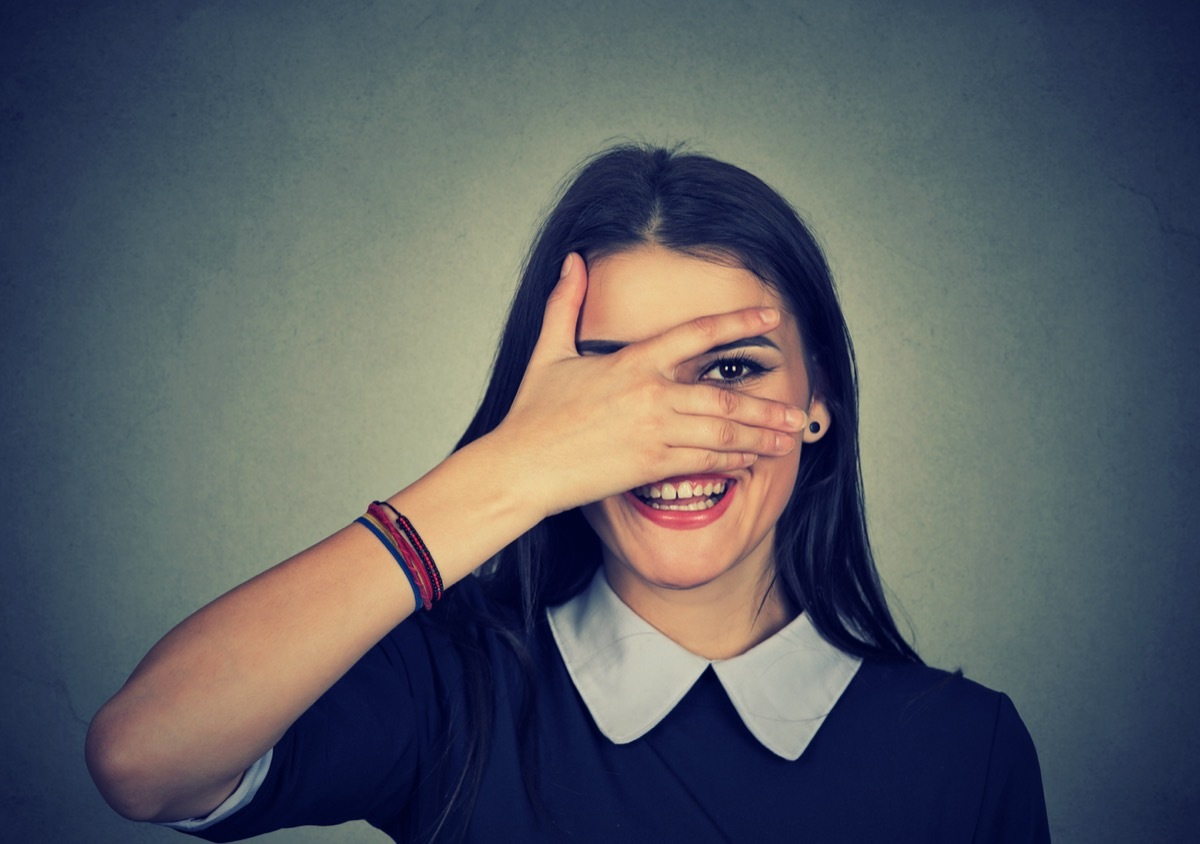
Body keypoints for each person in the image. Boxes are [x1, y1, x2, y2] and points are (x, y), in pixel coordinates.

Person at [86, 144, 1050, 842]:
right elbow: (143, 762)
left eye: (731, 372)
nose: (663, 429)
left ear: (819, 402)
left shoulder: (967, 751)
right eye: (610, 380)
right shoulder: (453, 690)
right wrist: (513, 470)